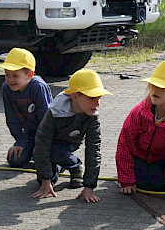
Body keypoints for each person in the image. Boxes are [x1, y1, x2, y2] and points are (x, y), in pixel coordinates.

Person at [32, 69, 112, 203]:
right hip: (52, 144)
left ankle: (75, 166)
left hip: (69, 144)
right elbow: (42, 143)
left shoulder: (92, 116)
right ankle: (61, 166)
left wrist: (89, 186)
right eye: (92, 98)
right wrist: (45, 181)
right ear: (75, 96)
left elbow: (94, 151)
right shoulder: (54, 113)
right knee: (46, 177)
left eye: (99, 98)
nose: (97, 104)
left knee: (57, 153)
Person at [116, 61, 165, 193]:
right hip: (138, 156)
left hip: (160, 159)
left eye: (163, 87)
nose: (155, 90)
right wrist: (126, 180)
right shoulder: (139, 112)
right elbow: (125, 144)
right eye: (153, 85)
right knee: (140, 184)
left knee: (158, 186)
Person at [0, 47, 55, 175]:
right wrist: (20, 141)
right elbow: (11, 119)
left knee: (46, 159)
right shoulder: (6, 88)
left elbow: (46, 120)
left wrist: (41, 145)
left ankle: (58, 159)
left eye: (15, 76)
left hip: (48, 135)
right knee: (14, 159)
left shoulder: (38, 87)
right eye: (7, 75)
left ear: (29, 75)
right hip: (29, 135)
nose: (10, 80)